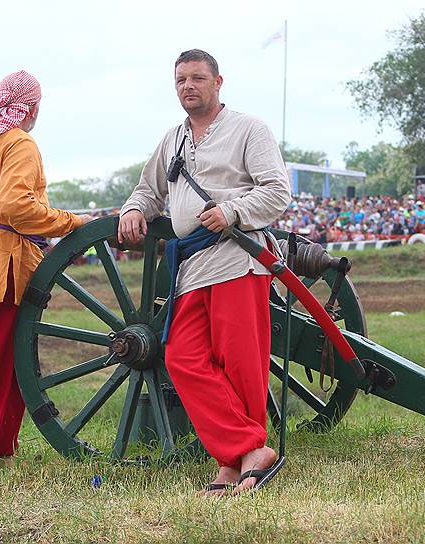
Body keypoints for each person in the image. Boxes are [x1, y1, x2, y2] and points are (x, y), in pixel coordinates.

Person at [118, 49, 290, 495]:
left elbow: (277, 192)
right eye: (180, 80)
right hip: (193, 266)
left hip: (237, 257)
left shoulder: (249, 129)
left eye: (197, 78)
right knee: (182, 357)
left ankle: (232, 464)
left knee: (240, 362)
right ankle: (249, 449)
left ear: (218, 82)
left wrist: (234, 210)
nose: (188, 86)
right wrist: (136, 208)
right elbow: (148, 189)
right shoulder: (172, 139)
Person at [0, 70, 91, 464]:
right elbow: (17, 208)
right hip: (2, 265)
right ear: (32, 106)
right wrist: (71, 222)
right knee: (1, 366)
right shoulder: (18, 143)